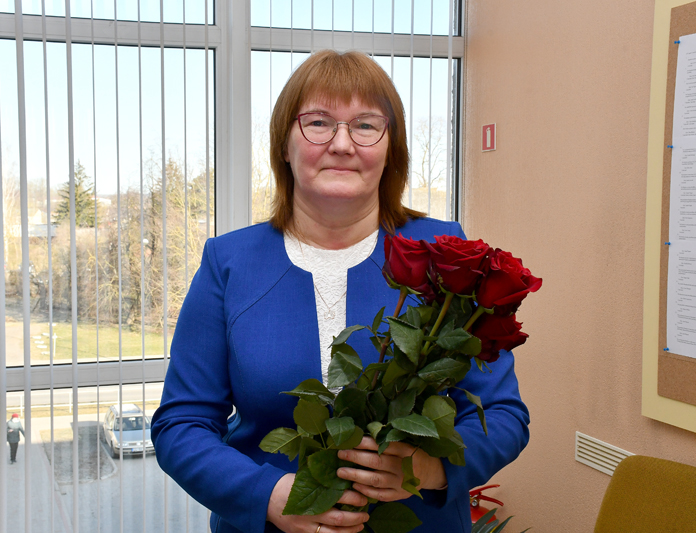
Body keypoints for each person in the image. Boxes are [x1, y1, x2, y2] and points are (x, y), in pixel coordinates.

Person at [151, 49, 530, 533]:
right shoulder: (229, 262)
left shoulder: (446, 257)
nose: (343, 144)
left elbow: (502, 413)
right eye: (318, 123)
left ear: (391, 148)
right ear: (284, 144)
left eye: (366, 125)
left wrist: (432, 469)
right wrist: (268, 496)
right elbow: (181, 424)